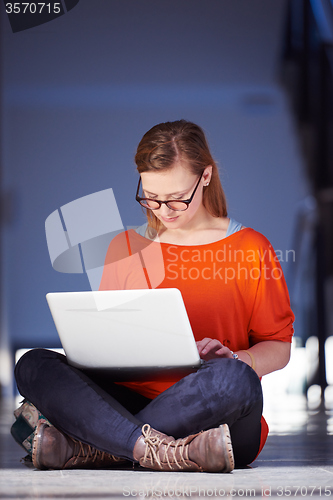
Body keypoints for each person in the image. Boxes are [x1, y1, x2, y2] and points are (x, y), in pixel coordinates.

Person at [14, 119, 294, 472]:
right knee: (33, 365)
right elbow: (108, 341)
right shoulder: (124, 248)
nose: (163, 211)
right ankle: (161, 450)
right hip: (128, 401)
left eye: (177, 199)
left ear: (205, 176)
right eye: (152, 197)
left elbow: (278, 348)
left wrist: (238, 358)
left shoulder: (252, 248)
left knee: (236, 380)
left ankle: (100, 446)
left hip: (213, 410)